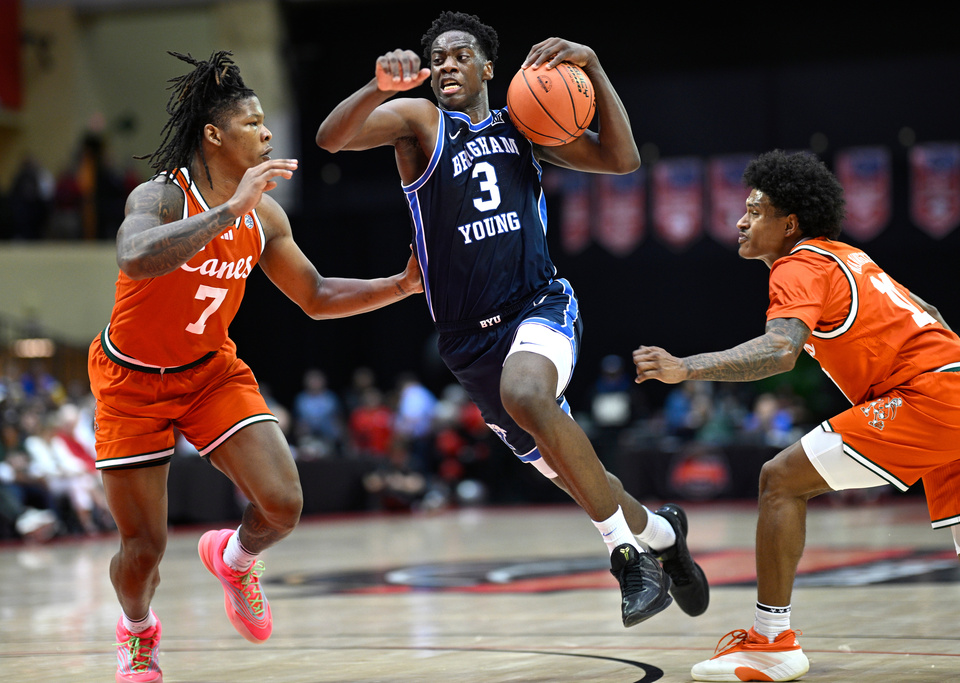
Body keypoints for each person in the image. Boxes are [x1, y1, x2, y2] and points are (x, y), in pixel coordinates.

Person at [315, 10, 708, 627]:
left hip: (538, 304)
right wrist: (376, 88)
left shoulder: (524, 127)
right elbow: (331, 139)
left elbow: (622, 159)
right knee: (583, 478)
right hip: (468, 343)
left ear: (487, 67)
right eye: (437, 56)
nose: (447, 63)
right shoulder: (419, 123)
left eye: (460, 53)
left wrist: (595, 68)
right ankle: (661, 532)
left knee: (525, 391)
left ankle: (627, 558)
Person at [90, 51, 422, 683]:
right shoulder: (161, 195)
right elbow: (134, 259)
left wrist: (399, 286)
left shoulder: (267, 215)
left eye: (267, 123)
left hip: (209, 372)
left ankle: (237, 559)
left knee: (283, 504)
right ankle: (137, 631)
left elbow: (317, 296)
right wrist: (226, 210)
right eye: (254, 123)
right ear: (214, 135)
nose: (268, 134)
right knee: (143, 552)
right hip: (130, 382)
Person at [633, 149, 960, 682]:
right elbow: (928, 312)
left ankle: (771, 642)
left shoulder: (799, 265)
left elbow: (779, 351)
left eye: (755, 210)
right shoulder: (849, 257)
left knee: (780, 480)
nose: (741, 220)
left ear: (789, 223)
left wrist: (685, 367)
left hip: (937, 398)